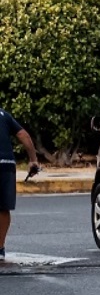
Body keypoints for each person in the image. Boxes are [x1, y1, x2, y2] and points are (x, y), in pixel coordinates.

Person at [0, 107, 39, 261]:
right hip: (6, 164)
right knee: (3, 207)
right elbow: (23, 135)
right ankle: (0, 248)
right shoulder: (4, 114)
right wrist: (33, 160)